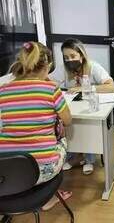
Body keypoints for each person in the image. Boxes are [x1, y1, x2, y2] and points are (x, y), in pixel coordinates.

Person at [0, 41, 73, 210]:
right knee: (63, 138)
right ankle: (49, 196)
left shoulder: (3, 90)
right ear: (47, 66)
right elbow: (68, 121)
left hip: (6, 171)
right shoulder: (50, 89)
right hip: (43, 171)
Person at [60, 38, 114, 175]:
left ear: (81, 55)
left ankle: (89, 159)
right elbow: (49, 81)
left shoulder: (93, 67)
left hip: (91, 108)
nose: (69, 60)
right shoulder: (64, 69)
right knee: (71, 127)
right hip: (73, 109)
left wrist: (85, 88)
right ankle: (74, 156)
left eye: (73, 56)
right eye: (66, 57)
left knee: (88, 127)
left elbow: (111, 87)